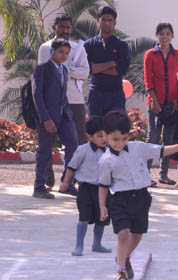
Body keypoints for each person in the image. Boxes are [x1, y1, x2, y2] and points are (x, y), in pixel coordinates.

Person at [98, 110, 178, 280]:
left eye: (124, 138)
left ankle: (125, 257)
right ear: (106, 136)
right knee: (123, 234)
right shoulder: (106, 161)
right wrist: (102, 206)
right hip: (119, 199)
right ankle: (120, 272)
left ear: (129, 135)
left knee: (137, 235)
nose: (120, 143)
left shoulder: (138, 148)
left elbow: (161, 151)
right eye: (115, 139)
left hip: (141, 197)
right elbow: (103, 186)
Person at [38, 14, 90, 190]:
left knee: (77, 142)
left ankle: (68, 181)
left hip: (74, 101)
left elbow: (85, 72)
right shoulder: (45, 48)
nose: (65, 30)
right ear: (54, 28)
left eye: (68, 27)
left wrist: (67, 69)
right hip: (51, 102)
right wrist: (68, 69)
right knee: (47, 143)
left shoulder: (78, 47)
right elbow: (47, 72)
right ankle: (46, 179)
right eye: (62, 27)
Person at [31, 38, 79, 200]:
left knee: (73, 144)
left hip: (64, 115)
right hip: (47, 117)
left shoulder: (64, 70)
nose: (64, 56)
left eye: (67, 53)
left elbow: (62, 95)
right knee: (45, 150)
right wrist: (45, 118)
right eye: (61, 52)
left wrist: (67, 114)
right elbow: (37, 95)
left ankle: (67, 184)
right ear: (52, 52)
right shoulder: (42, 69)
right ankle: (39, 187)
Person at [59, 116, 112, 256]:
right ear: (90, 137)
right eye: (99, 136)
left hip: (103, 190)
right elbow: (71, 167)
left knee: (102, 218)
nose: (103, 139)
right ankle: (79, 246)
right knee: (84, 217)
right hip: (86, 190)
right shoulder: (82, 150)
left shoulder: (110, 151)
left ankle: (97, 244)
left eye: (105, 135)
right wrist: (65, 182)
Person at [144, 22, 178, 186]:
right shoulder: (150, 54)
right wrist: (154, 101)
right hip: (155, 103)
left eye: (168, 33)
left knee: (168, 139)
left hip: (172, 104)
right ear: (157, 36)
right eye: (162, 33)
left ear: (172, 36)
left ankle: (164, 174)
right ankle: (145, 174)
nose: (165, 36)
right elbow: (148, 80)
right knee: (153, 137)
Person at [84, 6, 130, 116]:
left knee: (116, 130)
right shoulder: (89, 45)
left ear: (115, 23)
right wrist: (111, 64)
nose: (106, 23)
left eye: (110, 20)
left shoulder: (121, 45)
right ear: (97, 22)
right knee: (96, 130)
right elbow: (88, 69)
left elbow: (121, 70)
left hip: (116, 94)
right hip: (96, 93)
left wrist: (97, 68)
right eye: (103, 19)